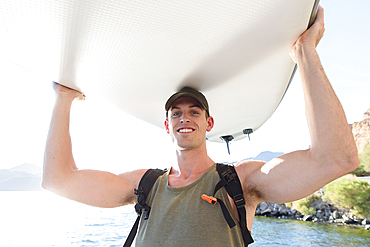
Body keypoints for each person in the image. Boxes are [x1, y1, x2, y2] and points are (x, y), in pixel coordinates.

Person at [42, 6, 358, 246]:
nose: (184, 117)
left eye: (194, 111)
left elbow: (337, 159)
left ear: (208, 123)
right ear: (167, 126)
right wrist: (64, 99)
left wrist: (305, 53)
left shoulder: (240, 181)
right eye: (175, 113)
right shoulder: (145, 186)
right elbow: (58, 180)